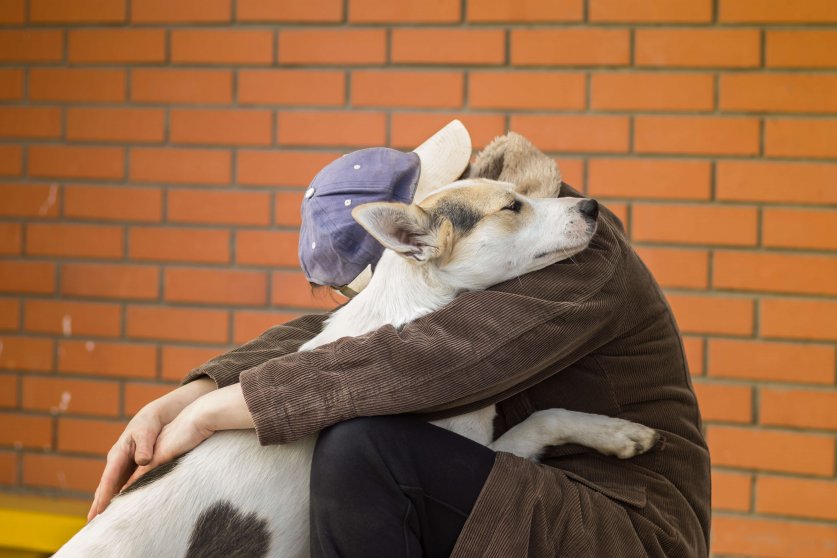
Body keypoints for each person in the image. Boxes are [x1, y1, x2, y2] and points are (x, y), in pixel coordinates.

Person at [90, 122, 711, 557]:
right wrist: (195, 390)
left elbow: (426, 355)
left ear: (421, 236)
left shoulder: (575, 254)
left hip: (626, 528)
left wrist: (216, 413)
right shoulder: (479, 260)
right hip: (547, 498)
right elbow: (333, 338)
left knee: (365, 448)